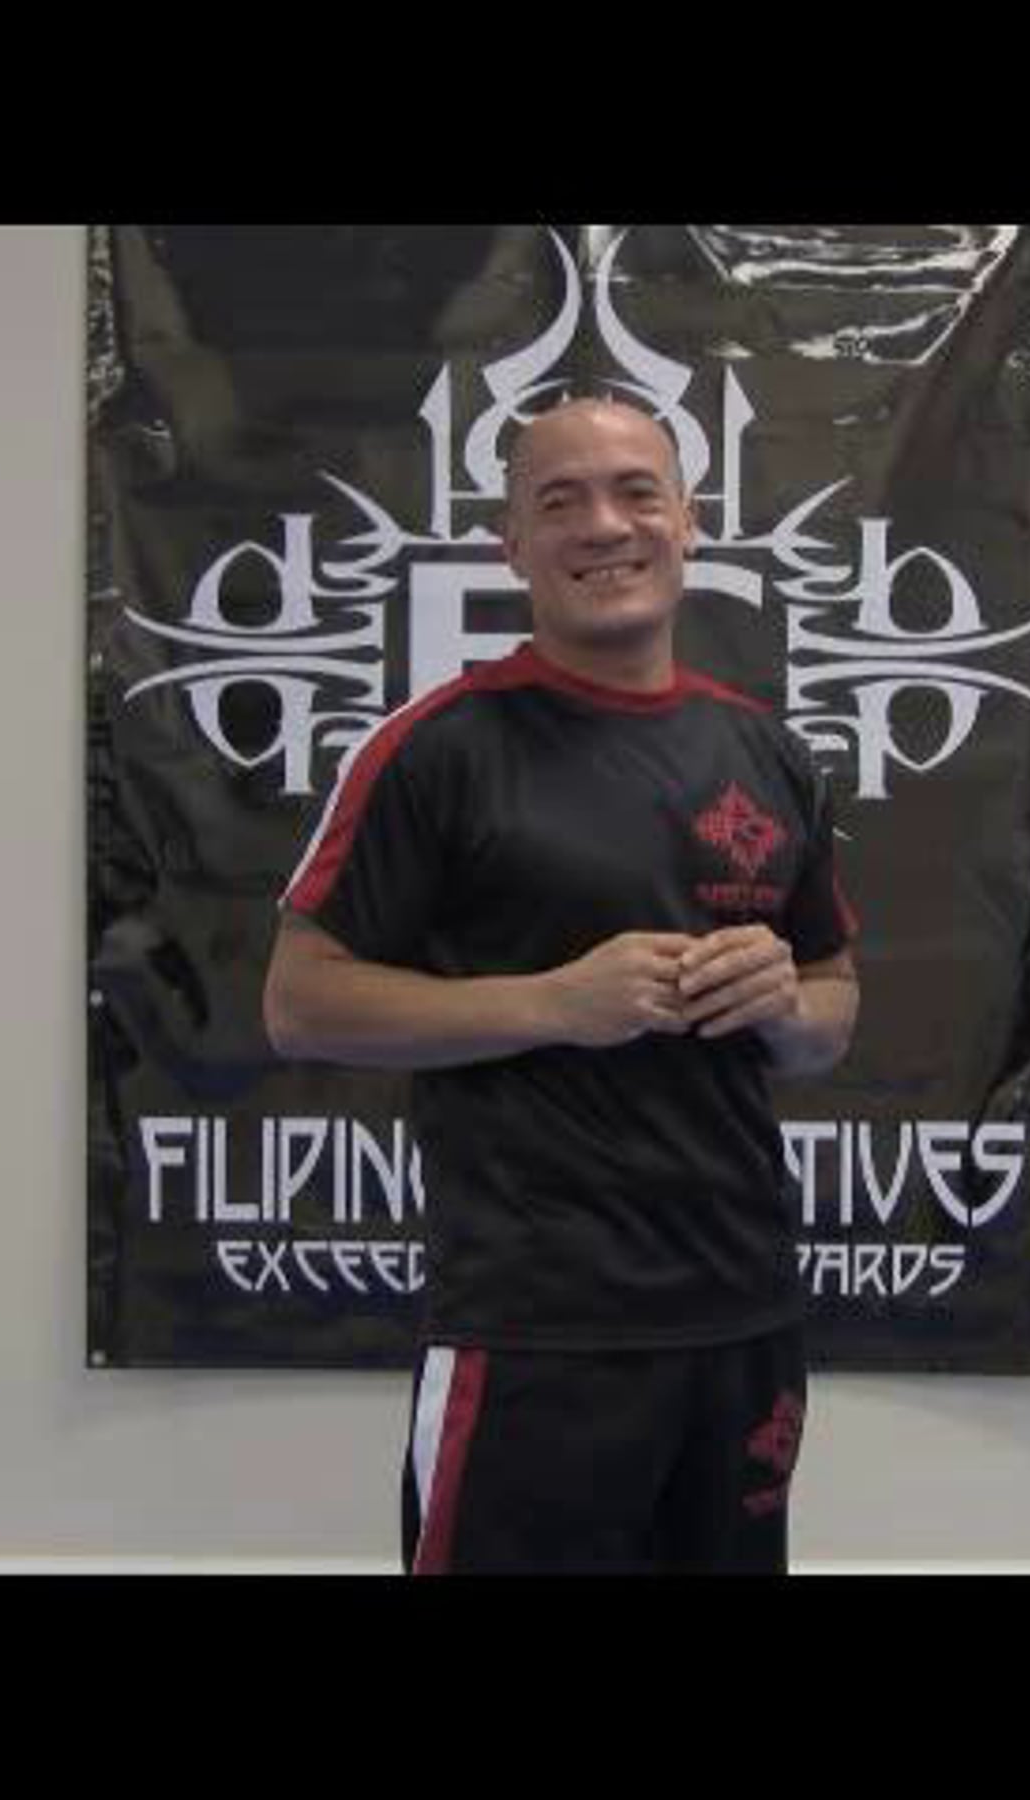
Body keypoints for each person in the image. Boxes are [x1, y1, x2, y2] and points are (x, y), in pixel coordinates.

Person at [263, 396, 860, 1573]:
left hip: (742, 1315)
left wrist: (786, 1006)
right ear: (512, 545)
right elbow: (299, 1002)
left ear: (689, 522)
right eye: (560, 500)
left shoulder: (767, 752)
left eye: (637, 492)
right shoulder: (439, 749)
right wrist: (553, 1003)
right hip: (536, 1330)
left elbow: (834, 1005)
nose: (604, 525)